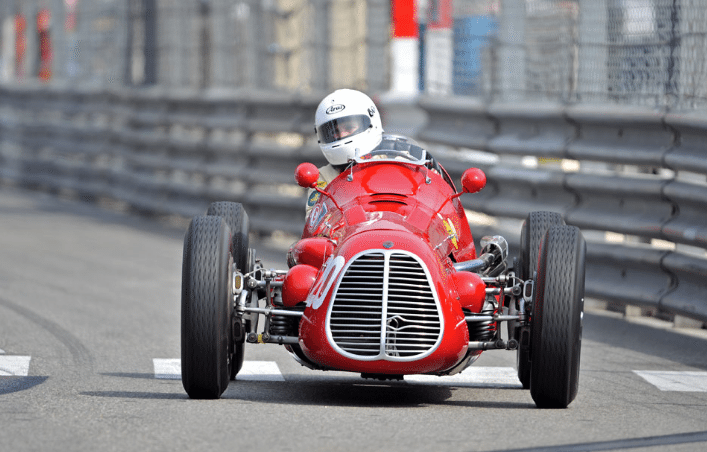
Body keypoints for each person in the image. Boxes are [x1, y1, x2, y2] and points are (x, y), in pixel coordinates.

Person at [306, 89, 384, 216]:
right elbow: (315, 223)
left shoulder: (398, 161)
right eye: (334, 132)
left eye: (348, 128)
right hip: (347, 233)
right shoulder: (323, 177)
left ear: (371, 123)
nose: (342, 135)